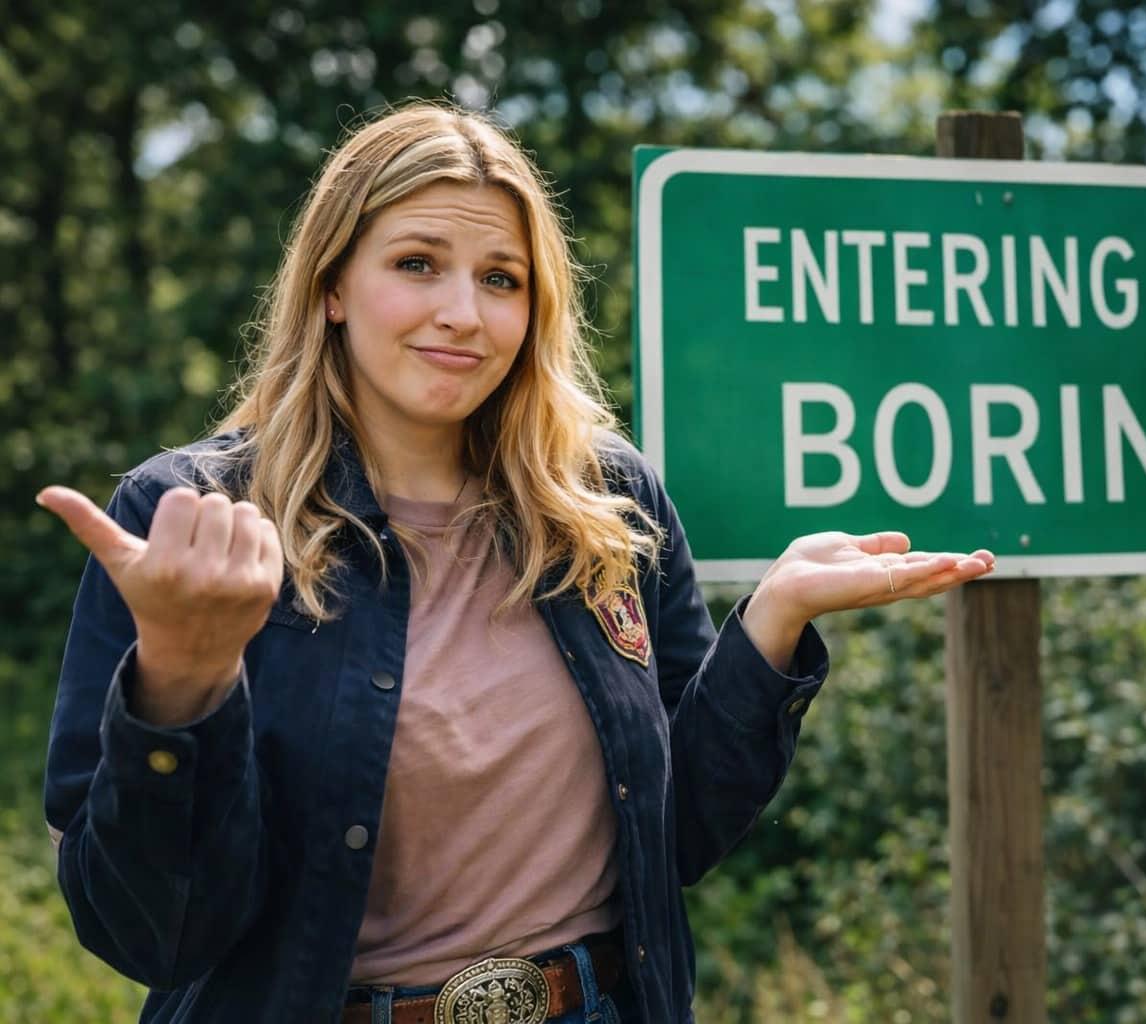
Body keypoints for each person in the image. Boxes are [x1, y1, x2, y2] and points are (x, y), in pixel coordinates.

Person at [38, 100, 995, 1024]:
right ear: (332, 286)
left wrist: (774, 620)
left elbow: (679, 834)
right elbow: (146, 935)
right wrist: (185, 675)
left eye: (502, 278)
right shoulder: (198, 520)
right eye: (418, 263)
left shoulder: (606, 505)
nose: (463, 312)